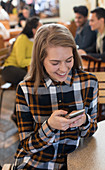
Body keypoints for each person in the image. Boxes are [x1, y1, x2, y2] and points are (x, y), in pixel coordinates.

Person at [12, 23, 98, 170]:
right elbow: (27, 146)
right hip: (36, 163)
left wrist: (84, 121)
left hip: (75, 162)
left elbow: (91, 131)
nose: (64, 69)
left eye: (69, 60)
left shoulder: (89, 82)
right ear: (41, 59)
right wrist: (49, 126)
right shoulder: (25, 89)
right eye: (55, 63)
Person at [2, 16, 42, 124]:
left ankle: (25, 112)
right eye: (40, 26)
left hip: (21, 69)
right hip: (9, 69)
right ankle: (17, 113)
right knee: (27, 80)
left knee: (31, 79)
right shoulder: (22, 38)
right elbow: (20, 61)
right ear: (34, 29)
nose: (42, 28)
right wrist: (36, 60)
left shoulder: (34, 40)